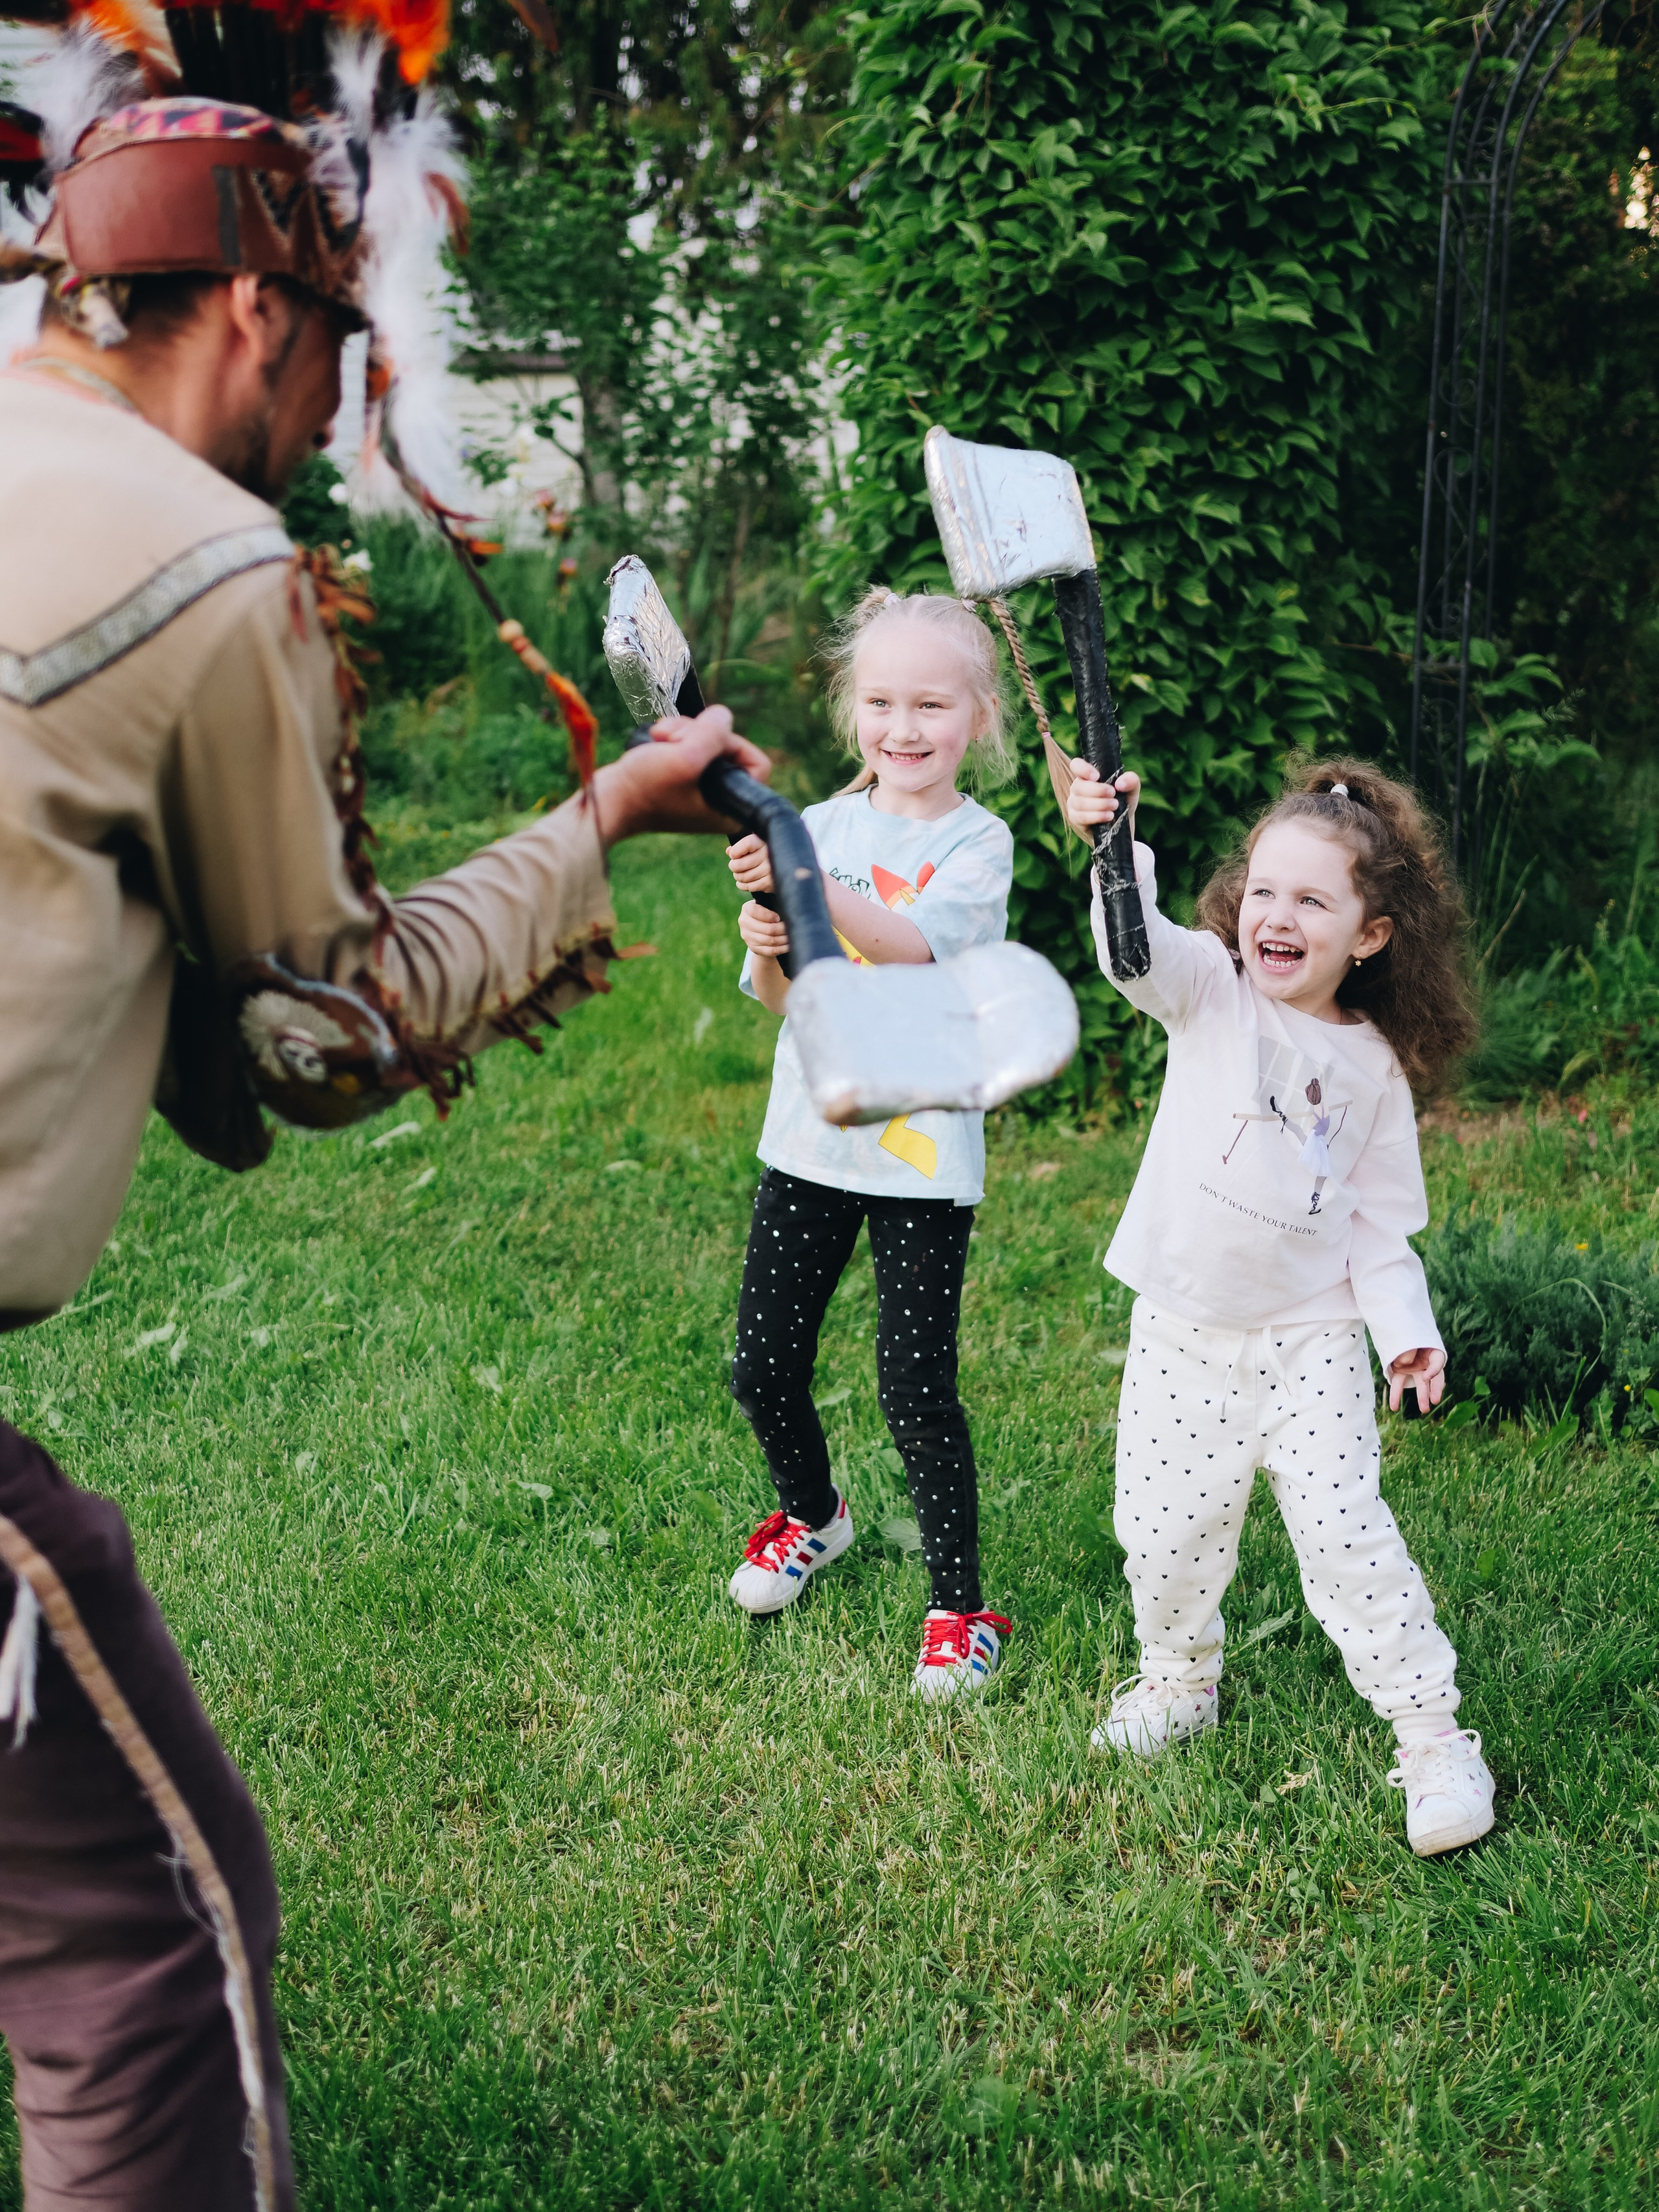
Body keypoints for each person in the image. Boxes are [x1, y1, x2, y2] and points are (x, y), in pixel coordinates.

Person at [0, 12, 769, 2204]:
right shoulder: (200, 560)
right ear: (252, 304)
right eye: (338, 342)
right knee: (150, 1935)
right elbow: (326, 1034)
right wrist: (610, 812)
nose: (347, 403)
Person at [1064, 752, 1496, 1858]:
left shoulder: (1374, 1072)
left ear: (1372, 934)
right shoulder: (1209, 989)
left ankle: (1433, 1735)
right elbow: (1132, 949)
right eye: (1263, 889)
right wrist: (1111, 848)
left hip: (1311, 1342)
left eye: (1314, 899)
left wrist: (1405, 1335)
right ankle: (1177, 1678)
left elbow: (1380, 1227)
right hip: (1182, 1328)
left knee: (1349, 1539)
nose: (1277, 915)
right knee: (1163, 1533)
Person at [722, 588, 1016, 1699]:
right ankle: (812, 1514)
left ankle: (959, 1603)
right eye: (882, 700)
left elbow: (907, 948)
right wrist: (767, 942)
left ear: (977, 716)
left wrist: (803, 880)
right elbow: (781, 995)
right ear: (855, 709)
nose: (905, 726)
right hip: (810, 1141)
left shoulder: (977, 847)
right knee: (762, 1365)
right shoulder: (823, 826)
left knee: (913, 1386)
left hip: (921, 1161)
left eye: (931, 703)